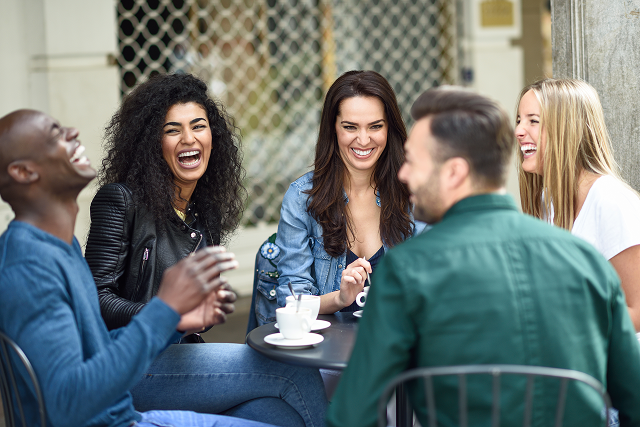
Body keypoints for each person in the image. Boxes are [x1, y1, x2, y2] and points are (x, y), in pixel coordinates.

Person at [325, 87, 640, 426]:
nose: (403, 174)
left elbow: (351, 414)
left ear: (455, 172)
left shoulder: (407, 270)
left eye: (413, 162)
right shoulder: (585, 260)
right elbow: (633, 396)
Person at [0, 109, 328, 427]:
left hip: (128, 400)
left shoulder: (59, 245)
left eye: (199, 126)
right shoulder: (29, 267)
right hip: (129, 403)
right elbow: (68, 403)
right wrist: (165, 310)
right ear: (23, 172)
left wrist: (179, 320)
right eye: (54, 133)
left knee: (274, 414)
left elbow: (95, 348)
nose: (72, 131)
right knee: (293, 371)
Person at [85, 73, 245, 343]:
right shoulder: (120, 200)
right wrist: (168, 315)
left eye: (198, 126)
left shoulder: (206, 211)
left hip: (180, 351)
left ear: (213, 136)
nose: (189, 138)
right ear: (151, 144)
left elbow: (197, 318)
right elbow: (95, 299)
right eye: (172, 130)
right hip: (130, 359)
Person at [266, 70, 423, 324]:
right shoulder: (301, 199)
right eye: (350, 127)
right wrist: (340, 299)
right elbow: (292, 300)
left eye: (375, 126)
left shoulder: (415, 195)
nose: (363, 140)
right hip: (324, 357)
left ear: (389, 129)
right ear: (333, 129)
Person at [516, 78, 640, 337]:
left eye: (533, 121)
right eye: (519, 120)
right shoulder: (546, 203)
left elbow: (637, 311)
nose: (519, 131)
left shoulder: (610, 200)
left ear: (566, 128)